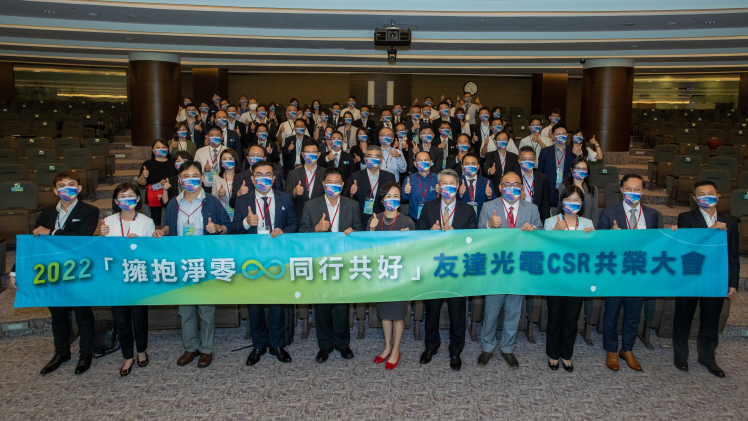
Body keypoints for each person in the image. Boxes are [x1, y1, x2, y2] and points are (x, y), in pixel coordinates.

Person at [8, 171, 98, 375]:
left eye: (71, 184)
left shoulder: (89, 211)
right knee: (57, 315)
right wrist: (16, 270)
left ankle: (86, 353)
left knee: (83, 314)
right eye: (62, 186)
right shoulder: (47, 213)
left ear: (79, 188)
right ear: (55, 191)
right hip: (52, 271)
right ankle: (61, 352)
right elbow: (33, 244)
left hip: (77, 270)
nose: (67, 189)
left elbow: (80, 240)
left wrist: (51, 232)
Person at [153, 160, 231, 369]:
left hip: (205, 261)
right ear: (179, 180)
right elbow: (168, 225)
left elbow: (228, 227)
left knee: (206, 309)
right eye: (186, 176)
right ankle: (190, 347)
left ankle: (206, 349)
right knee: (185, 309)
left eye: (195, 176)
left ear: (202, 178)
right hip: (181, 262)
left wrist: (218, 228)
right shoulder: (173, 203)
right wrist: (162, 232)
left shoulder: (212, 202)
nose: (190, 180)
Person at [230, 160, 297, 366]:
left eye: (268, 174)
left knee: (277, 302)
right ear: (252, 179)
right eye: (259, 175)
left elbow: (294, 224)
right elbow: (233, 229)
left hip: (277, 258)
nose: (263, 178)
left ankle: (277, 344)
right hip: (252, 259)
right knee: (255, 304)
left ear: (274, 178)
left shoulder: (285, 198)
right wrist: (245, 223)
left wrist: (283, 231)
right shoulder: (243, 201)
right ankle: (258, 345)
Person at [672, 180, 739, 378]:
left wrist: (732, 282)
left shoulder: (730, 222)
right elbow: (686, 246)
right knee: (683, 317)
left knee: (711, 318)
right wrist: (711, 232)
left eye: (710, 193)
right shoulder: (686, 218)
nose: (706, 197)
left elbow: (733, 255)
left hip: (715, 278)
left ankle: (707, 357)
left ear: (718, 196)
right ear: (695, 198)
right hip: (691, 275)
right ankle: (680, 355)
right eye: (701, 195)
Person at [477, 171, 542, 369]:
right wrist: (489, 225)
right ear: (500, 187)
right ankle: (487, 347)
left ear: (522, 188)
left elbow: (542, 234)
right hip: (496, 267)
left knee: (514, 311)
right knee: (491, 311)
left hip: (519, 269)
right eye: (507, 184)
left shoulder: (532, 209)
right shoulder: (489, 206)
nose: (512, 188)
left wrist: (534, 231)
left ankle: (507, 348)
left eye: (516, 185)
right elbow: (478, 237)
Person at [299, 167, 362, 363]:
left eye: (337, 183)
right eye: (329, 183)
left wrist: (354, 233)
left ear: (342, 185)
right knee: (322, 305)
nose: (333, 186)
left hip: (343, 261)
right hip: (321, 262)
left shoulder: (352, 205)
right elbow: (301, 234)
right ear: (323, 184)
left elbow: (359, 230)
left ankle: (343, 344)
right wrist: (316, 229)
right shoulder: (311, 205)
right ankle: (325, 345)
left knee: (342, 305)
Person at [417, 169, 478, 371]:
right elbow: (418, 235)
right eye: (444, 183)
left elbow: (473, 240)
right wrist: (429, 232)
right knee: (432, 310)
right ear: (438, 187)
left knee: (457, 313)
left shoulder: (468, 210)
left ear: (458, 187)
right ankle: (431, 347)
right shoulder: (428, 207)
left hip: (457, 269)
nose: (448, 187)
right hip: (434, 267)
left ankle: (455, 351)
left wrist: (458, 235)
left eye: (452, 183)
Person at [597, 174, 658, 372]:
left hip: (639, 271)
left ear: (643, 192)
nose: (632, 192)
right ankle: (611, 349)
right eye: (629, 189)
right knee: (612, 312)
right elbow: (598, 243)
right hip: (616, 272)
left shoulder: (652, 214)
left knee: (633, 314)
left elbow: (657, 243)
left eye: (637, 189)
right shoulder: (608, 212)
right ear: (622, 190)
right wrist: (611, 237)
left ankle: (628, 349)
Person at [100, 182, 155, 376]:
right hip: (115, 278)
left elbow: (152, 252)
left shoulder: (147, 222)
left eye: (131, 195)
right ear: (116, 201)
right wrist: (100, 236)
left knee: (139, 317)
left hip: (138, 275)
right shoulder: (107, 221)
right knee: (121, 318)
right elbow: (100, 251)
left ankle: (141, 351)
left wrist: (140, 244)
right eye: (122, 196)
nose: (126, 200)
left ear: (138, 199)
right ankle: (127, 355)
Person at [543, 185, 595, 372]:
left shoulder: (587, 223)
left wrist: (591, 239)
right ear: (562, 202)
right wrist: (555, 232)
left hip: (577, 279)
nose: (572, 203)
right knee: (555, 317)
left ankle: (566, 354)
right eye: (568, 199)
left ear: (581, 204)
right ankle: (553, 354)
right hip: (556, 279)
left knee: (571, 319)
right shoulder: (551, 222)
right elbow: (545, 249)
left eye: (576, 200)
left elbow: (591, 252)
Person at [368, 182, 415, 370]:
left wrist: (408, 239)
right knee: (385, 314)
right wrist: (371, 230)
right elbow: (367, 250)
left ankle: (396, 350)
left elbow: (414, 251)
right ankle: (387, 346)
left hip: (399, 275)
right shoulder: (374, 220)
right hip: (380, 274)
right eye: (388, 196)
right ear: (382, 200)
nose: (392, 200)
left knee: (397, 315)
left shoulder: (407, 222)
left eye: (396, 196)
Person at [345, 145, 397, 225]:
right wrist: (351, 193)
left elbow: (394, 200)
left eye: (376, 156)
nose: (373, 159)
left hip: (383, 220)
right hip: (361, 220)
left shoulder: (389, 177)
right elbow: (345, 198)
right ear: (365, 159)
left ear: (381, 160)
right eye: (370, 156)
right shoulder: (355, 176)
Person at [137, 138, 177, 226]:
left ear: (168, 149)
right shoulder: (147, 164)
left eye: (164, 147)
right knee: (155, 223)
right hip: (153, 198)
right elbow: (141, 183)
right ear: (153, 150)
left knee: (170, 223)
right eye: (158, 147)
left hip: (170, 197)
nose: (161, 149)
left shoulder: (173, 164)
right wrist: (143, 176)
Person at [284, 140, 325, 224]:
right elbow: (285, 197)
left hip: (321, 217)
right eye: (308, 152)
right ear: (302, 154)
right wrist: (294, 192)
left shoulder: (326, 173)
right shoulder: (293, 174)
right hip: (299, 218)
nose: (310, 154)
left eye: (313, 152)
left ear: (318, 154)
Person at [230, 144, 284, 209]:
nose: (255, 158)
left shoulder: (274, 174)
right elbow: (232, 204)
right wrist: (238, 194)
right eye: (252, 155)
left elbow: (281, 198)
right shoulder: (239, 177)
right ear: (247, 158)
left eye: (258, 155)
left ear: (264, 158)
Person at [538, 123, 574, 206]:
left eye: (563, 134)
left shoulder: (573, 152)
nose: (560, 136)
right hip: (549, 191)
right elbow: (540, 173)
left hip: (567, 191)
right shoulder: (545, 152)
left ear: (567, 135)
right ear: (553, 136)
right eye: (557, 134)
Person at [558, 157, 600, 226]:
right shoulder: (564, 186)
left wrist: (593, 228)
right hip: (568, 225)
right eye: (578, 168)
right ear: (572, 170)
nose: (581, 171)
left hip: (586, 226)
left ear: (587, 172)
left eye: (583, 169)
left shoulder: (593, 189)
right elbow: (561, 207)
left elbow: (594, 213)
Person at [517, 146, 552, 222]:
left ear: (535, 161)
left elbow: (545, 205)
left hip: (536, 218)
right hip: (518, 217)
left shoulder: (543, 178)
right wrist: (517, 198)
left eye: (530, 159)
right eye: (524, 159)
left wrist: (545, 223)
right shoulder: (513, 178)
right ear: (519, 161)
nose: (527, 162)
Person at [402, 151, 439, 220]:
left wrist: (441, 192)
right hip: (414, 219)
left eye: (426, 160)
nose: (423, 163)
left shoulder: (438, 179)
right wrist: (406, 193)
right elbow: (404, 199)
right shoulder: (409, 179)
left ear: (431, 163)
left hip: (434, 219)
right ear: (415, 164)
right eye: (420, 161)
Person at [193, 125, 225, 195]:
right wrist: (203, 169)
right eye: (212, 135)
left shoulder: (228, 151)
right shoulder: (200, 152)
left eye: (217, 135)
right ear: (207, 137)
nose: (214, 137)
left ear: (222, 137)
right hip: (206, 186)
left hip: (224, 185)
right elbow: (195, 170)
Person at [211, 148, 239, 219]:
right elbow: (213, 198)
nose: (227, 161)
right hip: (222, 212)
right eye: (224, 159)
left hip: (239, 211)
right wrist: (219, 194)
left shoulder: (242, 176)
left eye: (230, 159)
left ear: (235, 160)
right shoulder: (216, 177)